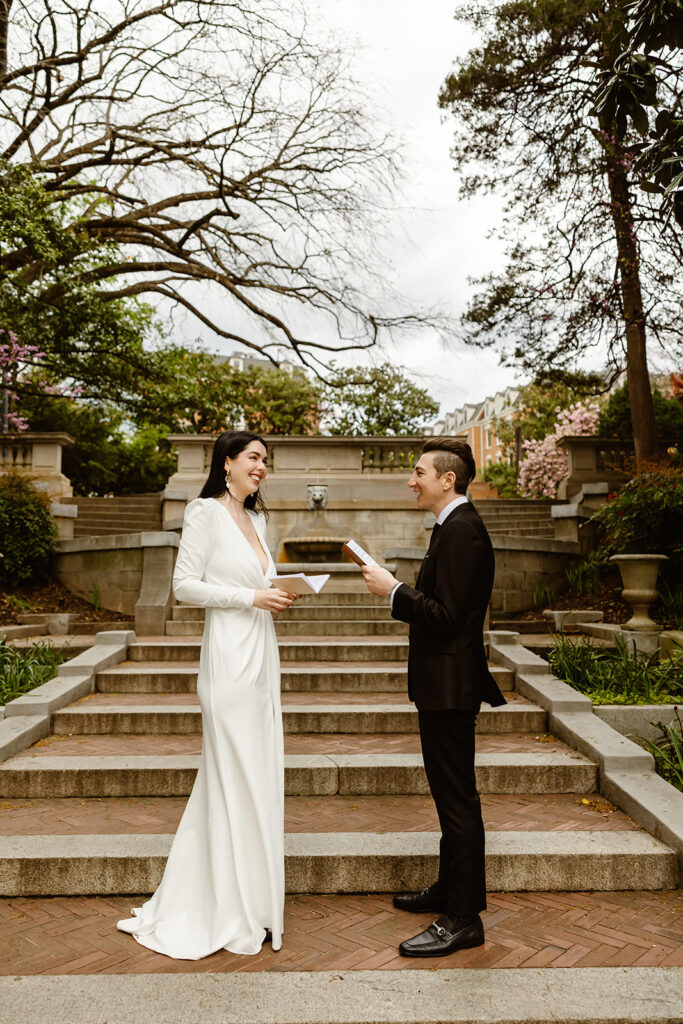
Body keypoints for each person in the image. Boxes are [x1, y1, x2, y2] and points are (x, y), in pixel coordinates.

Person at [117, 430, 296, 959]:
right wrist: (251, 595)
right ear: (227, 464)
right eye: (254, 458)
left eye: (266, 460)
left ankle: (254, 903)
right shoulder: (204, 513)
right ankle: (221, 907)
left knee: (257, 778)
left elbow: (257, 581)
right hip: (227, 661)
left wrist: (279, 591)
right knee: (232, 774)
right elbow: (184, 585)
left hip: (261, 657)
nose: (262, 467)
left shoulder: (259, 520)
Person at [361, 437, 505, 958]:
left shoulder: (463, 531)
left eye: (419, 471)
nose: (411, 479)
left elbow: (447, 617)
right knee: (450, 798)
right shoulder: (451, 527)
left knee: (458, 801)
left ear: (448, 479)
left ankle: (464, 918)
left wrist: (393, 591)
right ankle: (449, 889)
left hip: (451, 687)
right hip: (440, 686)